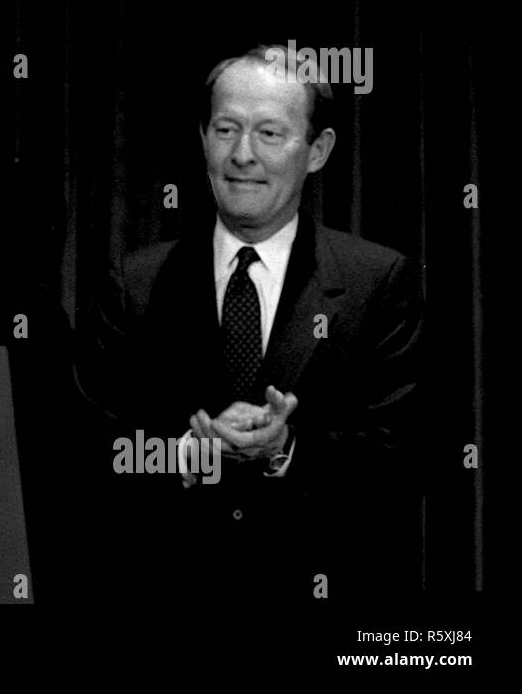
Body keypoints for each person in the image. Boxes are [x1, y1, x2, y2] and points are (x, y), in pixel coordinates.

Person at [87, 45, 425, 601]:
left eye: (270, 134)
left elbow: (406, 457)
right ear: (202, 138)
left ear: (317, 150)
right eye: (226, 129)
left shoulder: (380, 282)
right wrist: (177, 456)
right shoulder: (135, 283)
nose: (242, 154)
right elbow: (83, 452)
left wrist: (286, 447)